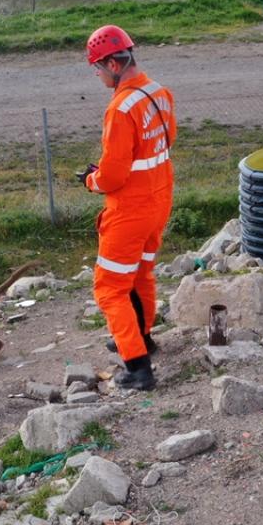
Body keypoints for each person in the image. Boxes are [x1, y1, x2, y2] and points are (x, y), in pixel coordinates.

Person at [78, 24, 177, 391]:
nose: (98, 75)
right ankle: (141, 338)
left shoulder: (120, 108)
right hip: (159, 199)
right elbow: (165, 142)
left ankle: (137, 368)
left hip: (130, 209)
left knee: (110, 288)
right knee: (140, 275)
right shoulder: (159, 92)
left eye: (97, 68)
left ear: (113, 64)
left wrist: (91, 180)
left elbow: (114, 176)